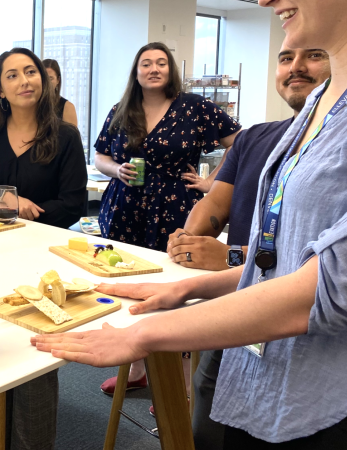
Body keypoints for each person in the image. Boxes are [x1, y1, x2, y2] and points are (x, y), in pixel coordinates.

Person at [34, 0, 347, 447]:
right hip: (264, 381)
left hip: (323, 406)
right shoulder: (319, 111)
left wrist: (152, 333)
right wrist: (186, 291)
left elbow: (324, 290)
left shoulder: (206, 110)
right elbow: (283, 259)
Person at [165, 45, 330, 450]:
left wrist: (231, 258)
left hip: (300, 335)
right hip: (236, 320)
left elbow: (316, 259)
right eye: (286, 58)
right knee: (207, 425)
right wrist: (190, 237)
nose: (296, 68)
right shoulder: (257, 137)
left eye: (314, 55)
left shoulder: (332, 150)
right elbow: (214, 204)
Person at [93, 41, 240, 395]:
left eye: (161, 63)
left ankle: (180, 385)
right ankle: (137, 370)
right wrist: (116, 169)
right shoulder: (122, 108)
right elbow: (99, 155)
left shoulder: (193, 107)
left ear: (170, 70)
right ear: (137, 71)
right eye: (146, 63)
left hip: (175, 210)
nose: (154, 69)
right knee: (130, 285)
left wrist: (212, 183)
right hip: (124, 209)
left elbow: (240, 142)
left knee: (177, 289)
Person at [0, 48, 87, 449]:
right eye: (12, 75)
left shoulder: (64, 136)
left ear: (44, 80)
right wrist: (3, 202)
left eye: (30, 72)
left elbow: (74, 205)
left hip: (39, 259)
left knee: (34, 354)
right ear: (0, 88)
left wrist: (31, 211)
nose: (24, 81)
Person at [42, 59, 78, 125]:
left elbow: (71, 135)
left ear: (58, 80)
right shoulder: (32, 105)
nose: (46, 82)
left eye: (50, 79)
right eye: (43, 78)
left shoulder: (67, 107)